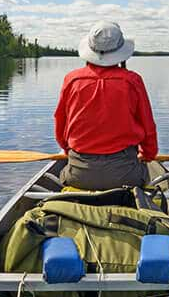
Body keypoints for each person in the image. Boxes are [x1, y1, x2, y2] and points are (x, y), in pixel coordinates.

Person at [54, 21, 158, 190]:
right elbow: (148, 127)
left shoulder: (71, 79)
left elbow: (60, 122)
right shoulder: (133, 81)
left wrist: (67, 149)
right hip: (125, 176)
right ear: (121, 53)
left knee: (65, 175)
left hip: (79, 174)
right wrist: (148, 154)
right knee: (144, 172)